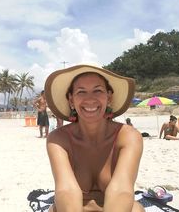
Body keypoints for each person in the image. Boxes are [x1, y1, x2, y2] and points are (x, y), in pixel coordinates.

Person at [45, 64, 144, 212]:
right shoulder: (58, 139)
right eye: (81, 92)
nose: (90, 99)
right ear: (71, 100)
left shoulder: (129, 137)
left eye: (97, 90)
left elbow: (122, 190)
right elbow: (66, 192)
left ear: (108, 97)